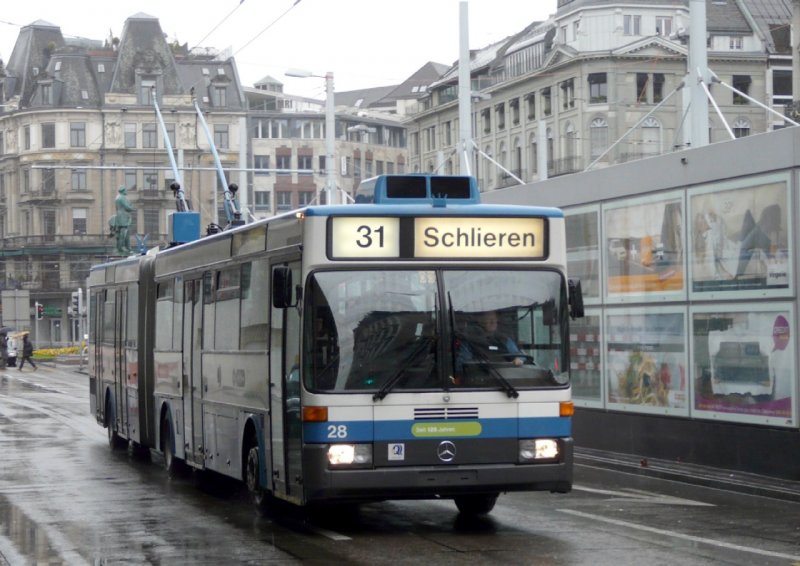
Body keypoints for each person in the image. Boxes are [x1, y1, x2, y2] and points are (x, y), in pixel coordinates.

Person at [457, 310, 525, 371]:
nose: (493, 322)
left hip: (504, 376)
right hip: (479, 376)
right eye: (489, 319)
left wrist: (519, 359)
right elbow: (462, 364)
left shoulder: (505, 340)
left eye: (494, 319)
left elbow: (519, 355)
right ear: (480, 321)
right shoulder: (470, 341)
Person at [108, 185, 135, 255]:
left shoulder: (117, 197)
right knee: (123, 232)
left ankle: (126, 247)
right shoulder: (122, 198)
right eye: (125, 190)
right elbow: (127, 207)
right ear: (123, 191)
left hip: (120, 215)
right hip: (123, 215)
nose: (126, 191)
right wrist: (132, 207)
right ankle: (122, 247)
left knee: (123, 232)